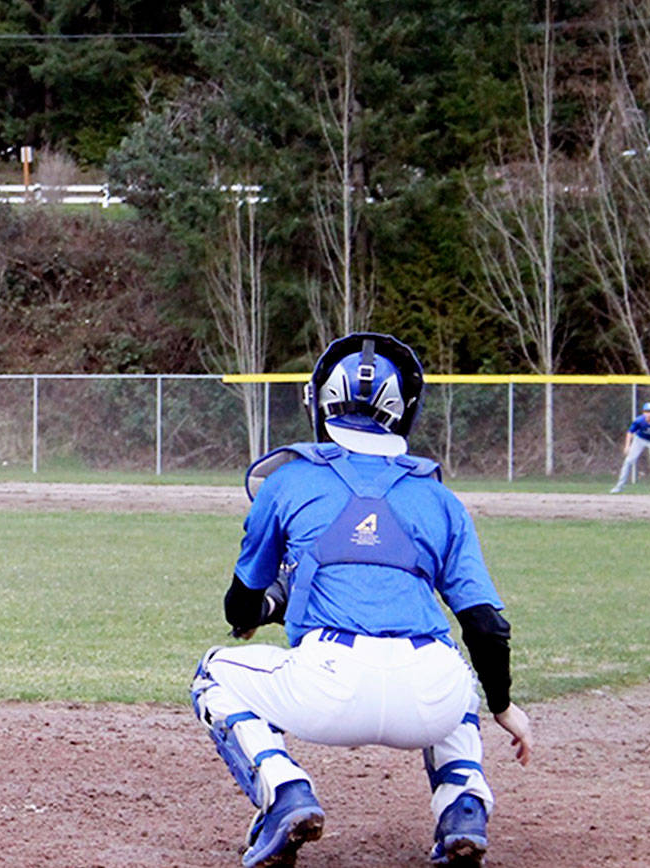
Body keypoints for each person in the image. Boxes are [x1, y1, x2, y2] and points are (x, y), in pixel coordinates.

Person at [190, 333, 532, 868]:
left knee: (212, 673)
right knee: (458, 675)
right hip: (427, 692)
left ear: (321, 402)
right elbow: (486, 625)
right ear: (402, 411)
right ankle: (463, 807)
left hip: (327, 685)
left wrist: (260, 612)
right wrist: (504, 706)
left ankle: (285, 792)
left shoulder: (290, 480)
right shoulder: (439, 496)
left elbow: (241, 606)